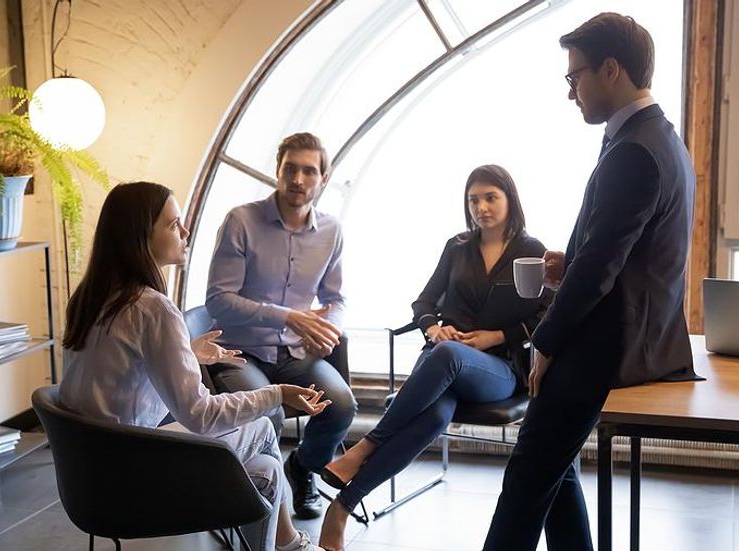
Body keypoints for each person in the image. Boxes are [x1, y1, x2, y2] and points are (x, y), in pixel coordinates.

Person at [484, 13, 698, 550]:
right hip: (635, 335)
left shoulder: (633, 150)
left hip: (604, 346)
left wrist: (545, 344)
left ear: (610, 69)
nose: (570, 92)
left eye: (573, 77)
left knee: (528, 478)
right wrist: (570, 260)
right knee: (556, 474)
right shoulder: (659, 138)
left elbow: (603, 269)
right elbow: (618, 249)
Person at [59, 181, 333, 551]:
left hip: (89, 480)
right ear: (142, 236)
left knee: (265, 473)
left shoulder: (90, 298)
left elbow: (121, 369)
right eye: (173, 225)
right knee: (264, 430)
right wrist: (278, 394)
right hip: (134, 479)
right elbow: (200, 415)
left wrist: (184, 353)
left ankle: (288, 545)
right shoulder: (152, 308)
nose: (185, 232)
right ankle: (292, 547)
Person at [317, 165, 553, 551]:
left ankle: (365, 446)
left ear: (510, 198)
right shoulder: (457, 247)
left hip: (496, 369)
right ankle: (343, 507)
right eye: (473, 199)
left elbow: (546, 314)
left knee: (447, 356)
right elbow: (423, 302)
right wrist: (433, 328)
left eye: (491, 197)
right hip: (441, 363)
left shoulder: (533, 252)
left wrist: (495, 336)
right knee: (433, 416)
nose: (481, 207)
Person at [205, 133, 358, 520]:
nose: (298, 179)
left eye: (309, 171)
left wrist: (330, 330)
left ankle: (301, 469)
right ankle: (261, 501)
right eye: (290, 168)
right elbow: (219, 299)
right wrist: (288, 316)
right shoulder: (241, 220)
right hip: (239, 352)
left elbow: (336, 298)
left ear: (323, 178)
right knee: (267, 413)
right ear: (278, 171)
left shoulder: (332, 231)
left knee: (341, 406)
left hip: (294, 355)